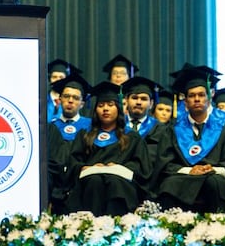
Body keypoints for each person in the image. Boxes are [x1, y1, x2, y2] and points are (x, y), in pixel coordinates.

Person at [152, 66, 225, 214]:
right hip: (183, 177)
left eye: (201, 95)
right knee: (169, 184)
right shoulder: (173, 129)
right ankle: (172, 231)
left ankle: (219, 231)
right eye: (191, 96)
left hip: (214, 176)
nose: (197, 99)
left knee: (216, 182)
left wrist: (211, 169)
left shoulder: (224, 129)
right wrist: (190, 170)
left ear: (209, 99)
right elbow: (165, 164)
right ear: (185, 102)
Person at [63, 81, 152, 216]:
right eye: (101, 105)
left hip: (120, 184)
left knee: (114, 181)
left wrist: (119, 168)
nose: (105, 109)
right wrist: (83, 167)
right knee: (95, 180)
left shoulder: (132, 137)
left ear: (118, 109)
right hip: (89, 183)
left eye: (110, 105)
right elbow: (74, 161)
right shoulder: (85, 134)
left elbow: (141, 168)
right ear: (95, 110)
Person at [47, 74, 91, 213]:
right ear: (59, 100)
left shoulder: (90, 126)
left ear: (82, 104)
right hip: (55, 181)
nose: (70, 101)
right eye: (66, 97)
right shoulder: (50, 127)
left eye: (75, 98)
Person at [46, 59, 83, 123]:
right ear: (49, 79)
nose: (58, 80)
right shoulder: (41, 100)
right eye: (54, 77)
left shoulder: (73, 101)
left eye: (61, 77)